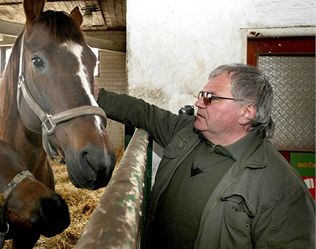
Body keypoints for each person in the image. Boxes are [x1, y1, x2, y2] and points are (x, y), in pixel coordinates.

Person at [95, 63, 315, 249]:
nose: (198, 103)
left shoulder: (283, 189)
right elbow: (143, 113)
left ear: (246, 112)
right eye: (202, 95)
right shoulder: (187, 132)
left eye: (211, 97)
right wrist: (92, 95)